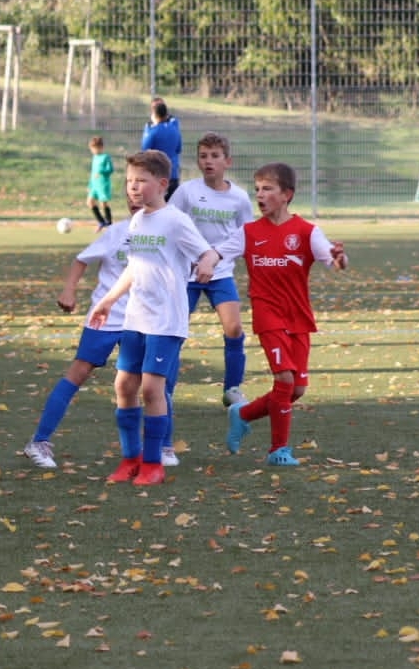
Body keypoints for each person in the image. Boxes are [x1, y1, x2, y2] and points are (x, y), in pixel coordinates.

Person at [88, 150, 217, 487]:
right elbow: (134, 267)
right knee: (123, 386)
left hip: (166, 321)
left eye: (141, 181)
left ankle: (153, 462)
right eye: (129, 181)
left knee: (151, 389)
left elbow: (206, 252)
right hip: (136, 318)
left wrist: (206, 263)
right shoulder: (137, 221)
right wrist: (108, 300)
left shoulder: (175, 220)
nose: (133, 187)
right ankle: (130, 459)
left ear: (162, 184)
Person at [227, 162, 347, 466]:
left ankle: (243, 413)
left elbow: (333, 260)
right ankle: (278, 450)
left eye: (267, 189)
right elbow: (219, 251)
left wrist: (339, 259)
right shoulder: (249, 232)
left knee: (296, 389)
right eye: (257, 189)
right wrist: (206, 260)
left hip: (298, 316)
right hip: (267, 314)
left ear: (287, 195)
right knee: (284, 379)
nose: (259, 195)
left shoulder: (307, 231)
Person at [23, 199, 140, 470]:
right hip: (106, 316)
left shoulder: (166, 231)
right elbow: (80, 260)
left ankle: (153, 449)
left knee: (147, 383)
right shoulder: (116, 232)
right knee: (79, 372)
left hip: (142, 320)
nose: (135, 193)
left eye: (141, 184)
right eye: (130, 186)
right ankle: (39, 441)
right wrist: (69, 290)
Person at [166, 132, 254, 432]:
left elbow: (246, 236)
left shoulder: (239, 197)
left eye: (215, 156)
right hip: (187, 274)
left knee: (234, 328)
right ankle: (165, 390)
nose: (208, 161)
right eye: (203, 156)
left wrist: (250, 274)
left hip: (221, 272)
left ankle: (232, 390)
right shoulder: (186, 192)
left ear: (227, 161)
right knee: (175, 331)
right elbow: (170, 225)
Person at [141, 98, 184, 199]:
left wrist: (149, 129)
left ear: (154, 115)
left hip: (158, 176)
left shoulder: (153, 132)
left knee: (158, 206)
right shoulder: (174, 129)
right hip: (173, 174)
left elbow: (144, 151)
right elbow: (178, 148)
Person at [86, 136, 114, 229]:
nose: (93, 150)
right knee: (90, 202)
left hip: (103, 184)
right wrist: (90, 184)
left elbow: (110, 169)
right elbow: (93, 172)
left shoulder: (105, 157)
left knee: (103, 203)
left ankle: (109, 222)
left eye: (95, 148)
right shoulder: (95, 157)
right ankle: (101, 221)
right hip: (94, 185)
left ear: (101, 147)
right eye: (92, 149)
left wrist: (101, 171)